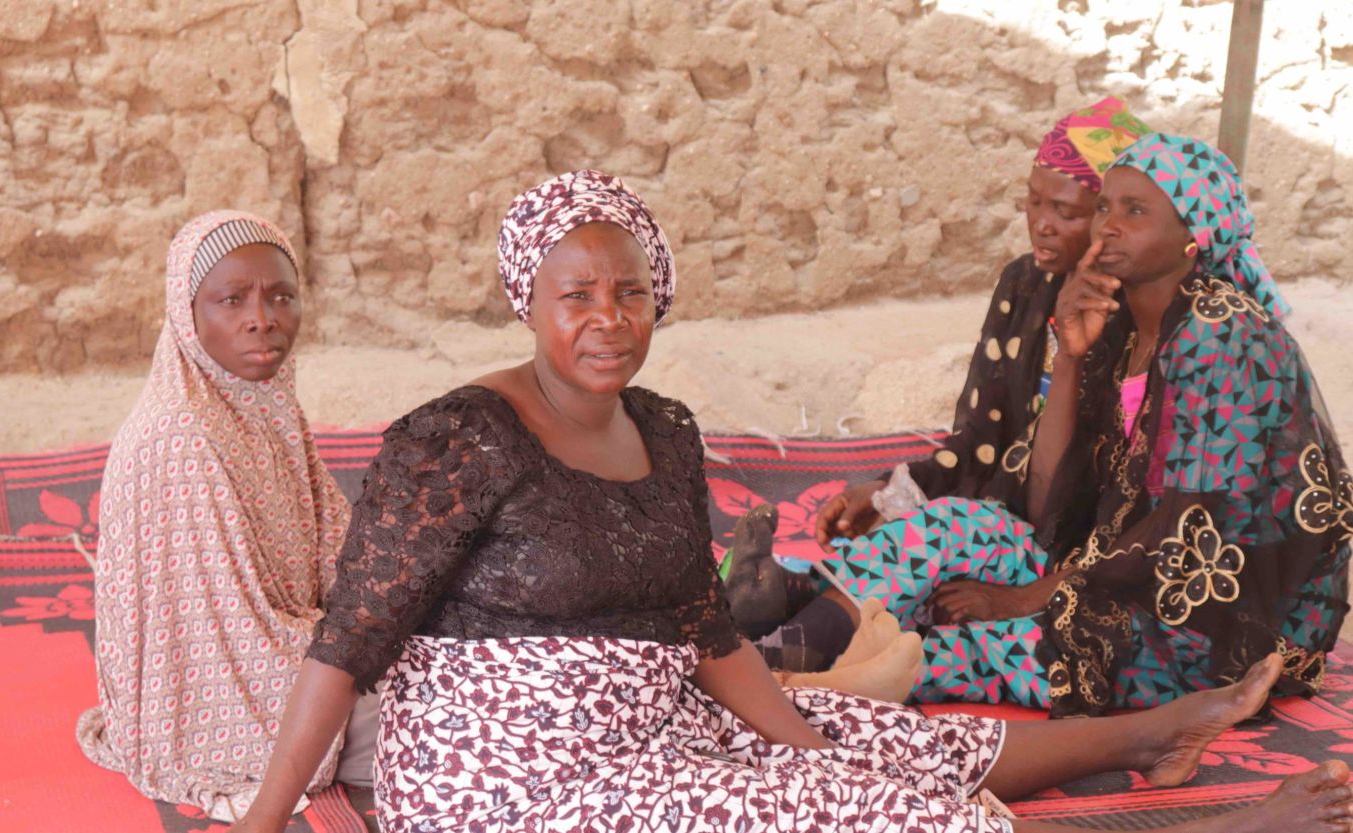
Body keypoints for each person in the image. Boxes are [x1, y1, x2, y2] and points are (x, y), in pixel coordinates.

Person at [230, 170, 1353, 833]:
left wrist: (808, 735)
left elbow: (702, 623)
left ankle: (1156, 727)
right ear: (529, 299)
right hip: (513, 775)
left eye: (631, 291)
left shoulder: (662, 429)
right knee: (884, 812)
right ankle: (1228, 824)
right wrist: (263, 821)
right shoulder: (457, 436)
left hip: (653, 716)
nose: (607, 318)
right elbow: (346, 643)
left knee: (880, 742)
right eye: (576, 295)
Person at [749, 134, 1352, 715]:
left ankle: (792, 687)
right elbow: (1046, 498)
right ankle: (773, 655)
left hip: (1195, 618)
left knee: (970, 652)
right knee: (956, 525)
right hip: (1100, 564)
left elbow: (1185, 529)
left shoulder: (1223, 336)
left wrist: (1023, 599)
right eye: (1107, 206)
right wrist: (1070, 354)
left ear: (1195, 235)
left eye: (1135, 211)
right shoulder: (1117, 320)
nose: (1107, 225)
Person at [728, 97, 1153, 693]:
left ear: (1112, 220)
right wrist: (889, 492)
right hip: (1009, 523)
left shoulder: (1143, 324)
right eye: (1033, 201)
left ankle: (782, 636)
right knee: (912, 535)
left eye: (1066, 210)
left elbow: (1143, 516)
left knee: (939, 561)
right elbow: (980, 438)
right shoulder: (1024, 283)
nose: (1042, 223)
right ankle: (783, 610)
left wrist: (1024, 589)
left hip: (1075, 561)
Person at [77, 211, 378, 821]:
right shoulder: (181, 440)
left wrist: (389, 616)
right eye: (231, 300)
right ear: (187, 316)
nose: (261, 319)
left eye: (280, 297)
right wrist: (363, 651)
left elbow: (335, 548)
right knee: (464, 710)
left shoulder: (261, 405)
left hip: (300, 649)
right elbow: (234, 644)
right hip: (238, 702)